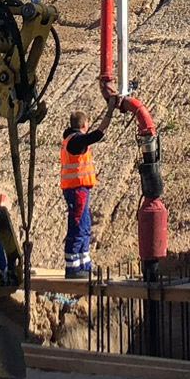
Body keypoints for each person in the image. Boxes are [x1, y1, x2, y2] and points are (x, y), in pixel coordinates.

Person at [60, 102, 117, 277]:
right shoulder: (76, 141)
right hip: (77, 190)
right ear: (84, 125)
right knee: (78, 226)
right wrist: (109, 112)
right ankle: (73, 268)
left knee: (84, 226)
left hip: (80, 190)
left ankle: (84, 265)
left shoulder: (72, 140)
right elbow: (97, 134)